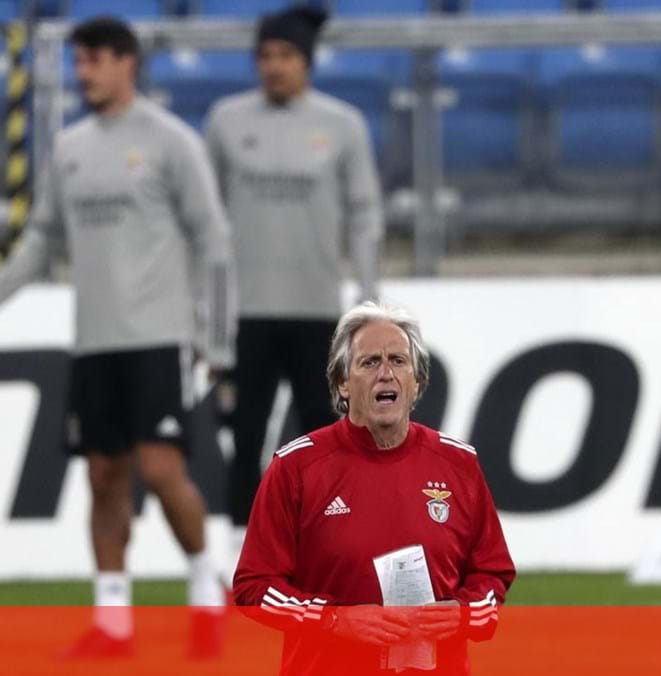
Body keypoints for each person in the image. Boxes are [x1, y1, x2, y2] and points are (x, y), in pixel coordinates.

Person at [0, 17, 236, 657]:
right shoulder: (70, 147)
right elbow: (43, 240)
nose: (83, 74)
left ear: (126, 62)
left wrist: (216, 342)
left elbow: (213, 241)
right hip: (95, 343)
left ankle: (205, 589)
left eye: (94, 61)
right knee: (104, 476)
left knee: (161, 470)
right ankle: (112, 619)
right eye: (77, 63)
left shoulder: (169, 142)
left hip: (158, 337)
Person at [234, 302, 515, 675]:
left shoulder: (458, 464)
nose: (386, 373)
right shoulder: (297, 467)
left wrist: (463, 615)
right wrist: (334, 620)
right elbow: (255, 588)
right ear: (342, 383)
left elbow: (492, 575)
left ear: (416, 383)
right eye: (369, 362)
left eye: (398, 361)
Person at [205, 5, 384, 572]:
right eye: (265, 56)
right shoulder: (227, 121)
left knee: (325, 438)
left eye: (285, 55)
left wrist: (369, 301)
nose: (274, 66)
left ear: (306, 61)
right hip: (247, 313)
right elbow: (204, 221)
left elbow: (364, 214)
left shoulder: (342, 125)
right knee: (246, 435)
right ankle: (242, 553)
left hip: (317, 313)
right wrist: (205, 311)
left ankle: (328, 549)